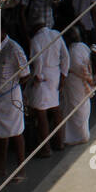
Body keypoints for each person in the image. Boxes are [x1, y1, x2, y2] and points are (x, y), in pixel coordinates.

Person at [0, 32, 29, 182]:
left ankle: (21, 169)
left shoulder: (14, 49)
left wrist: (10, 87)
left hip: (10, 98)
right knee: (0, 133)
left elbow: (25, 74)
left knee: (16, 132)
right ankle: (0, 167)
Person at [27, 19, 70, 157]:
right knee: (56, 108)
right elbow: (66, 56)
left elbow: (38, 60)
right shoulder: (56, 34)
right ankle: (60, 142)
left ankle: (45, 149)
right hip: (55, 74)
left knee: (41, 113)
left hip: (43, 77)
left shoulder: (35, 40)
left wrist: (36, 75)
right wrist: (63, 74)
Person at [59, 27, 94, 147]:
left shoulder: (72, 51)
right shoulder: (82, 46)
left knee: (76, 108)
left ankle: (77, 136)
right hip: (79, 82)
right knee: (79, 108)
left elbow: (78, 68)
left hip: (76, 82)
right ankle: (76, 135)